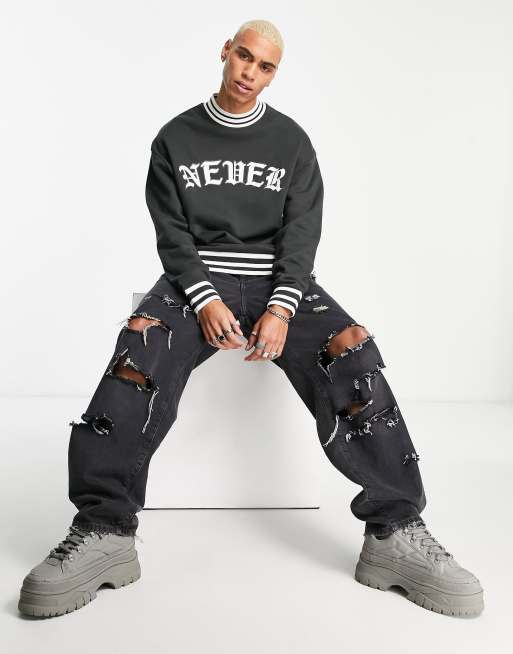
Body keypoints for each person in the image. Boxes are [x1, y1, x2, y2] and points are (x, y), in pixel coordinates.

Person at [18, 19, 483, 619]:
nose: (250, 73)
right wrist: (205, 298)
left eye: (265, 66)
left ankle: (395, 532)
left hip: (275, 282)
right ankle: (104, 530)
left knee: (352, 352)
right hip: (197, 281)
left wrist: (283, 306)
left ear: (273, 74)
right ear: (226, 51)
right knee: (137, 354)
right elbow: (171, 233)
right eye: (244, 56)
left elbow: (302, 233)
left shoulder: (291, 142)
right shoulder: (175, 137)